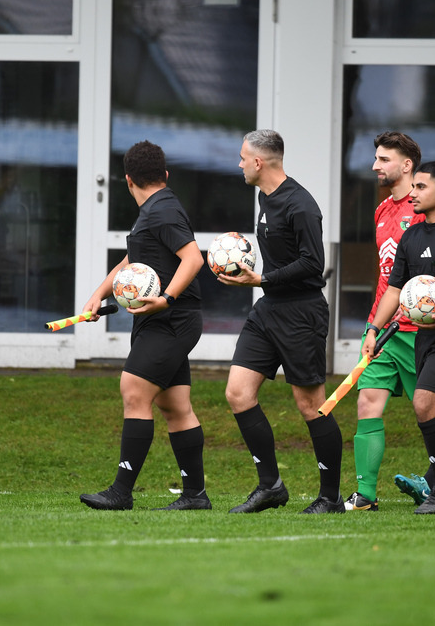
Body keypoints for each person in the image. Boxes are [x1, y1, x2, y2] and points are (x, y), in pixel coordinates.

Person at [346, 132, 435, 512]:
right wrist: (372, 328)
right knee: (370, 403)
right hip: (389, 331)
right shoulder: (390, 218)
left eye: (383, 159)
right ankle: (365, 495)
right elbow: (392, 285)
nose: (375, 166)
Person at [79, 140, 211, 512]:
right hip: (164, 318)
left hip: (171, 318)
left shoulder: (163, 211)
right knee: (175, 405)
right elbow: (132, 259)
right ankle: (195, 496)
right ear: (164, 175)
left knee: (134, 390)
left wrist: (166, 298)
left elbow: (193, 259)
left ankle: (121, 491)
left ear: (127, 180)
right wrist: (98, 294)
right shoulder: (155, 210)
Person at [219, 129, 344, 514]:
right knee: (238, 393)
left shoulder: (301, 205)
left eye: (243, 158)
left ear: (259, 162)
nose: (239, 164)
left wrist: (261, 279)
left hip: (301, 312)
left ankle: (330, 497)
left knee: (311, 407)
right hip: (268, 310)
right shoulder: (263, 196)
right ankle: (271, 486)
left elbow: (312, 264)